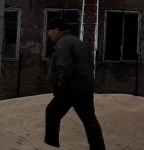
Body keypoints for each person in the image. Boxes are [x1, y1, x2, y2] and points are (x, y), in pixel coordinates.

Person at [44, 18, 106, 150]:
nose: (48, 34)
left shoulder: (63, 43)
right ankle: (98, 148)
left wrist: (61, 86)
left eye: (49, 31)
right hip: (85, 88)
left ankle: (50, 146)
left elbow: (65, 67)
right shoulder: (78, 42)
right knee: (89, 120)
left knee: (52, 113)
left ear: (56, 30)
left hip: (71, 88)